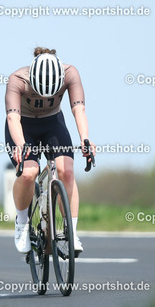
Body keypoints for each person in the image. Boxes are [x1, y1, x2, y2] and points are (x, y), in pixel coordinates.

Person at [5, 47, 95, 255]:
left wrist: (85, 139)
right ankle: (22, 223)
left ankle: (71, 231)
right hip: (23, 126)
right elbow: (13, 117)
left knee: (67, 172)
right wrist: (21, 144)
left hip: (52, 123)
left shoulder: (70, 73)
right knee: (29, 173)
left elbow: (78, 109)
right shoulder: (17, 80)